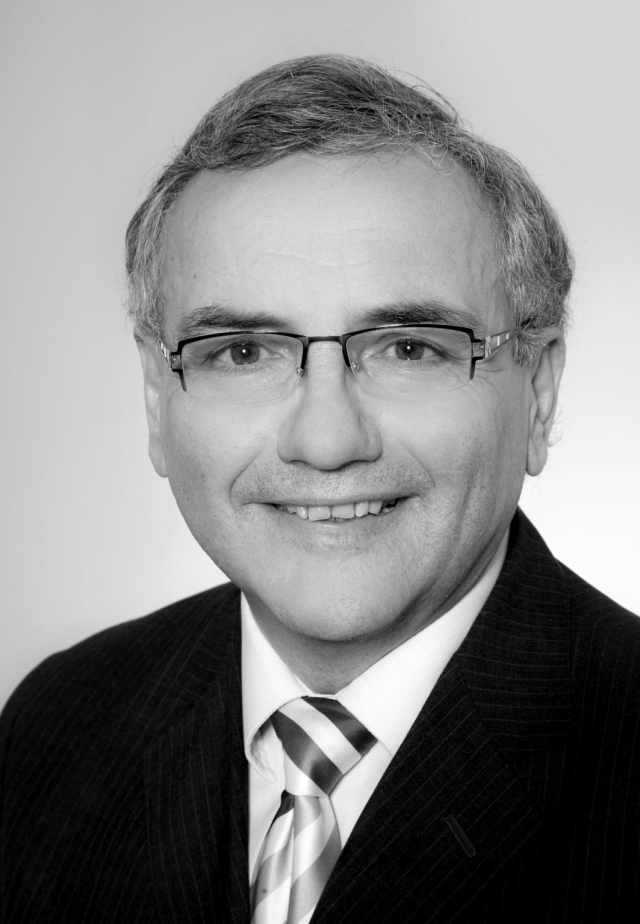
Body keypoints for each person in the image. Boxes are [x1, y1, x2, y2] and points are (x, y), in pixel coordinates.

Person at [1, 54, 639, 924]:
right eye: (243, 353)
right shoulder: (56, 727)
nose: (327, 441)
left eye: (409, 348)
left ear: (539, 392)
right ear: (157, 398)